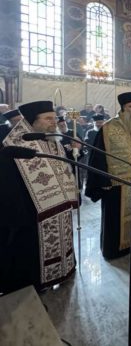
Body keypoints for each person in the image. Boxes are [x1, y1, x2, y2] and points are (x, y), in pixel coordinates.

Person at [0, 101, 78, 293]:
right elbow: (9, 185)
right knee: (32, 252)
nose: (54, 122)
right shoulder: (14, 145)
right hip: (31, 212)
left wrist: (74, 151)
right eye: (48, 118)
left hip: (60, 207)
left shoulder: (54, 141)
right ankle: (35, 282)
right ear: (32, 121)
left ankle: (63, 271)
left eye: (54, 118)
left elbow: (63, 169)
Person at [85, 92, 131, 260]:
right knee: (115, 219)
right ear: (123, 108)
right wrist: (103, 181)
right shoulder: (108, 128)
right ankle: (114, 250)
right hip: (116, 184)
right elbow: (97, 157)